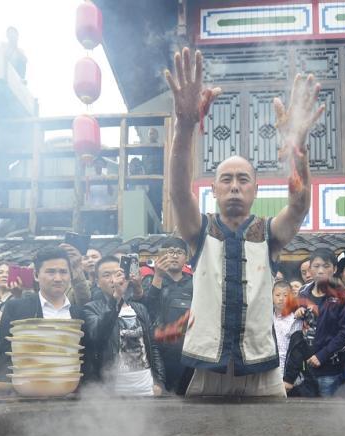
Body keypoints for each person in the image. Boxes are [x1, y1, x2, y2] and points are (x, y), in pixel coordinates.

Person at [165, 47, 324, 397]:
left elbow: (298, 205)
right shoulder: (200, 230)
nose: (234, 186)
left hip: (261, 364)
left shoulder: (268, 233)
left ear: (255, 189)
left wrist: (297, 147)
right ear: (213, 189)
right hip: (205, 363)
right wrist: (185, 126)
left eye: (242, 179)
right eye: (226, 179)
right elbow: (177, 192)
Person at [0, 245, 88, 381]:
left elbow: (86, 360)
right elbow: (3, 357)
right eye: (51, 272)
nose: (58, 278)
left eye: (63, 272)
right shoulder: (17, 308)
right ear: (36, 275)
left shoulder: (79, 314)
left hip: (70, 393)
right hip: (27, 393)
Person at [81, 256, 164, 396]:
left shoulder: (139, 308)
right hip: (113, 391)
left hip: (146, 387)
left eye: (117, 274)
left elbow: (153, 348)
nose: (113, 279)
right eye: (106, 275)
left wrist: (159, 382)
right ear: (97, 282)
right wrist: (117, 297)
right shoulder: (91, 309)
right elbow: (98, 336)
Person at [298, 249, 345, 396]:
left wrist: (322, 355)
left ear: (334, 269)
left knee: (327, 413)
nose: (321, 271)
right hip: (302, 369)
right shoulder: (303, 292)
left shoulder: (343, 294)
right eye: (316, 266)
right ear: (309, 269)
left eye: (326, 266)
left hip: (328, 368)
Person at [143, 236, 193, 394]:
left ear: (186, 257)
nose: (174, 255)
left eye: (179, 252)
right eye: (170, 251)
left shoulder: (194, 282)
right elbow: (147, 310)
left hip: (188, 350)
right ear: (161, 256)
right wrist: (157, 276)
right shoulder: (152, 281)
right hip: (160, 352)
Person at [272, 280, 301, 380]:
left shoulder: (296, 320)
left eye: (285, 295)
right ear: (272, 297)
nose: (281, 299)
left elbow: (297, 351)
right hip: (270, 371)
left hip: (290, 372)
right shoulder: (267, 318)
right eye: (277, 295)